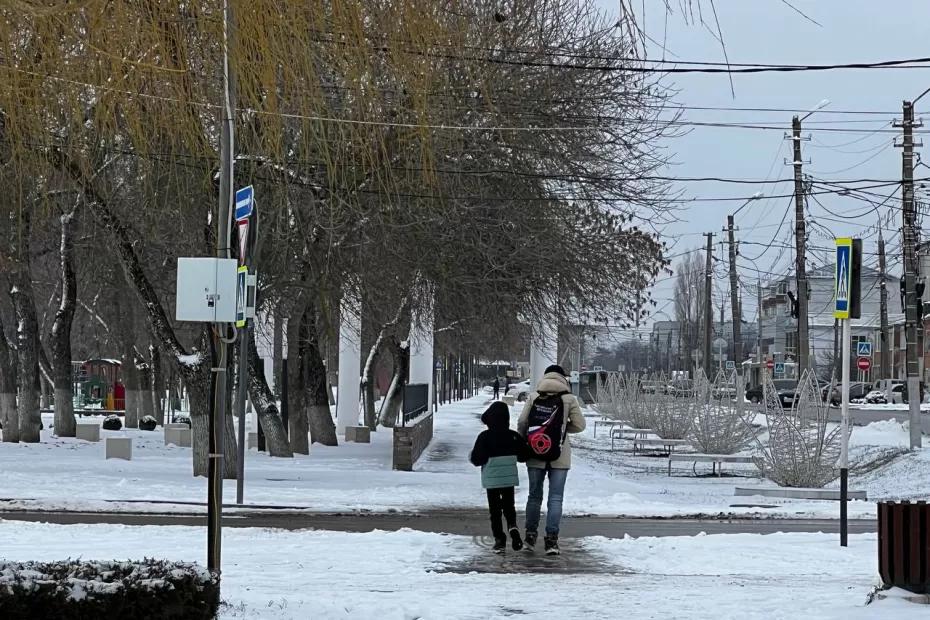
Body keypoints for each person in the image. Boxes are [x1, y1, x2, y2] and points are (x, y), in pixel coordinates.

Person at [517, 364, 586, 555]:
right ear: (563, 378)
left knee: (534, 496)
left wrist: (527, 439)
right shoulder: (569, 399)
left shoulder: (533, 396)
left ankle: (530, 537)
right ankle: (552, 541)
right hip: (560, 454)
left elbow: (523, 422)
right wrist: (561, 430)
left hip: (535, 451)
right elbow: (580, 425)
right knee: (555, 498)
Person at [469, 401, 529, 553]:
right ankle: (513, 528)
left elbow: (477, 459)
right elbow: (524, 456)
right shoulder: (513, 436)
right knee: (509, 507)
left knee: (495, 511)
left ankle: (499, 539)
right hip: (508, 480)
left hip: (492, 481)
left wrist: (473, 456)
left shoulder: (485, 437)